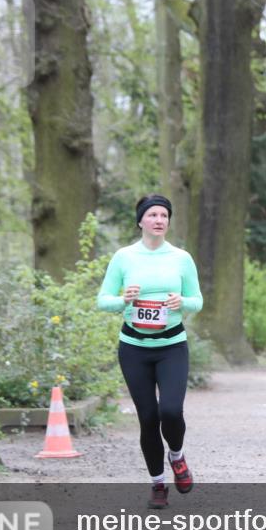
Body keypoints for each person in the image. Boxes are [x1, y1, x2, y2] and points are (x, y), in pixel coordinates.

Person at [97, 194, 203, 509]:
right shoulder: (124, 257)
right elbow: (103, 299)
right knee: (147, 418)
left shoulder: (181, 258)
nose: (159, 220)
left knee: (170, 411)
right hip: (133, 348)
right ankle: (158, 484)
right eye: (153, 215)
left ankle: (177, 455)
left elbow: (196, 300)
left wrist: (180, 303)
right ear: (141, 220)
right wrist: (122, 300)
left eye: (164, 216)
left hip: (172, 346)